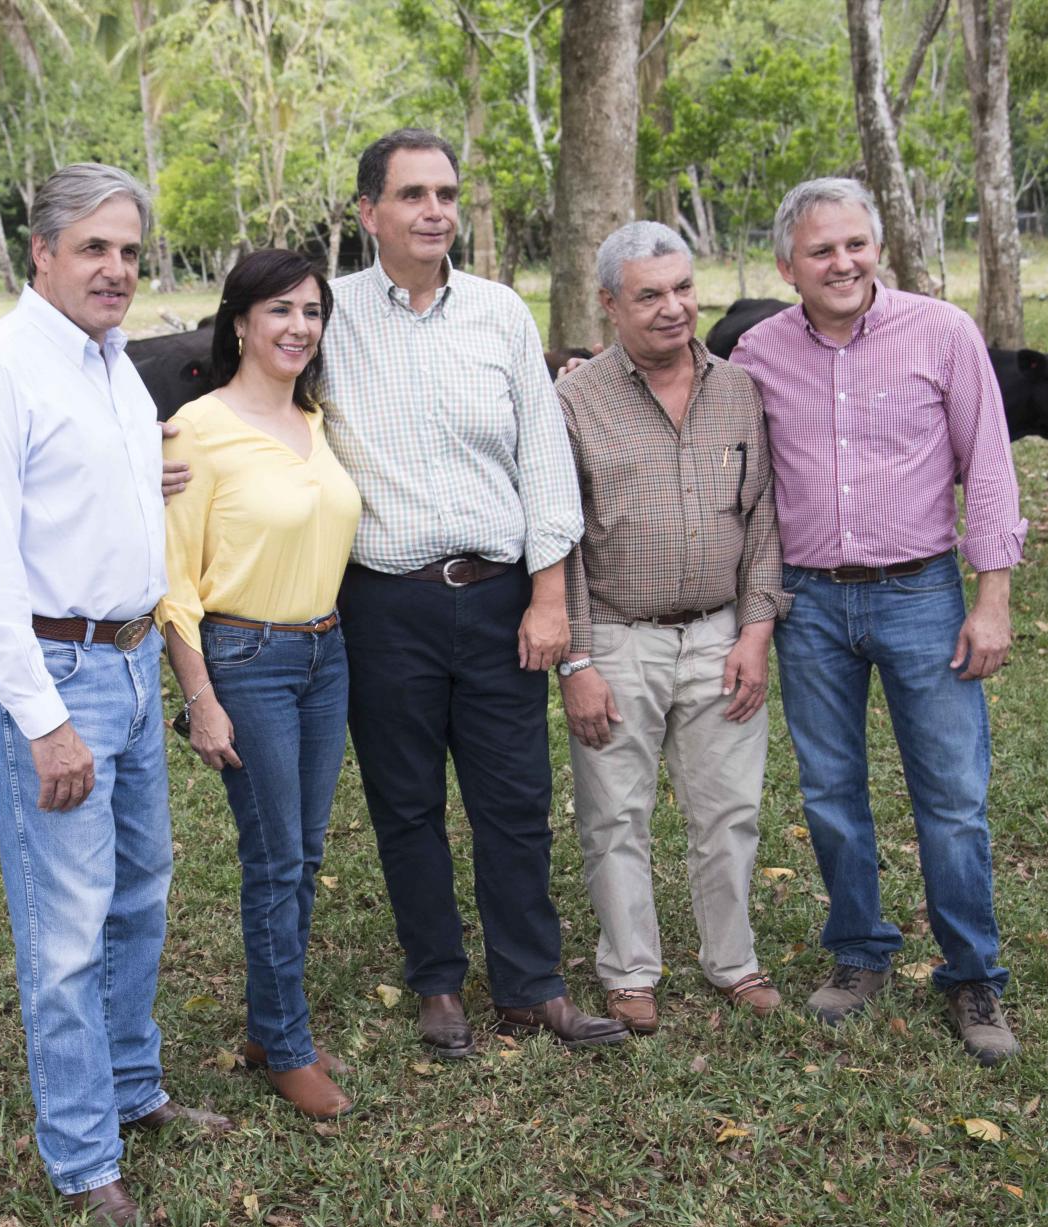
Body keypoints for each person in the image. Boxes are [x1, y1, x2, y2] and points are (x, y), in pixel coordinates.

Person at [0, 162, 231, 1227]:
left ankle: (131, 1087)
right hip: (54, 676)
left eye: (128, 251)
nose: (114, 270)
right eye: (93, 248)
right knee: (62, 928)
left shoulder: (110, 365)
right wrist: (41, 720)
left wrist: (129, 485)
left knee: (139, 893)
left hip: (132, 658)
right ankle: (80, 1157)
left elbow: (73, 490)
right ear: (42, 253)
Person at [323, 128, 628, 1058]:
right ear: (369, 212)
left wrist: (549, 601)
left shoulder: (500, 314)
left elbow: (545, 463)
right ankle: (439, 983)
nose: (435, 212)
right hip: (384, 603)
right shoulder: (324, 317)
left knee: (513, 799)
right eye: (413, 195)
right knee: (406, 802)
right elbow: (251, 400)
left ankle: (532, 984)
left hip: (500, 600)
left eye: (447, 194)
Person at [730, 177, 1026, 1066]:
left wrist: (993, 596)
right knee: (829, 793)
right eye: (822, 250)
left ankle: (973, 972)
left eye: (855, 243)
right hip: (809, 602)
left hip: (921, 594)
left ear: (878, 246)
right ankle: (859, 949)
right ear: (789, 265)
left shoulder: (941, 332)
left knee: (952, 798)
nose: (842, 262)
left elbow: (992, 466)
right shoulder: (758, 353)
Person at [554, 221, 789, 1036]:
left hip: (723, 633)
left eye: (683, 288)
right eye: (649, 295)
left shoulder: (739, 388)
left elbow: (763, 518)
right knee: (614, 813)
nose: (671, 309)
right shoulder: (575, 400)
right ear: (610, 303)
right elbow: (562, 538)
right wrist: (576, 659)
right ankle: (629, 969)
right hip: (618, 636)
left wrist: (756, 631)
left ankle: (733, 961)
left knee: (729, 809)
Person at [157, 249, 361, 1120]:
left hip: (327, 651)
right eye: (280, 310)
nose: (298, 328)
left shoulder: (319, 419)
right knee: (275, 860)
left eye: (312, 312)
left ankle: (264, 1020)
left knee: (305, 853)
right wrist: (200, 697)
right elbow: (173, 579)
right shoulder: (193, 430)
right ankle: (285, 1045)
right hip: (247, 659)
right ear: (239, 320)